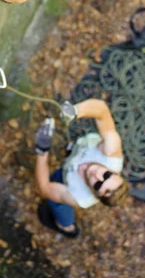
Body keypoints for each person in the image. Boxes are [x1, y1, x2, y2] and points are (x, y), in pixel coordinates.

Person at [34, 99, 129, 238]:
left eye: (98, 185)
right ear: (114, 171)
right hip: (74, 156)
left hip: (67, 180)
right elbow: (102, 110)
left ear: (94, 194)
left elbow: (43, 188)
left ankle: (67, 227)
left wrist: (42, 151)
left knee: (58, 206)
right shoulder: (111, 152)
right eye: (107, 175)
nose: (97, 175)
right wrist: (75, 111)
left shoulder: (79, 197)